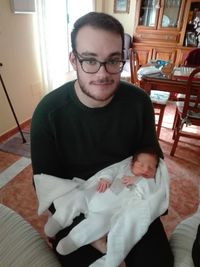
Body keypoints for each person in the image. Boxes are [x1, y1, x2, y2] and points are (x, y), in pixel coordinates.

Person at [31, 11, 174, 267]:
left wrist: (145, 203)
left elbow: (152, 160)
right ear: (74, 60)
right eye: (89, 60)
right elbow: (46, 184)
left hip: (128, 198)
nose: (102, 73)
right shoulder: (48, 113)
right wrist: (91, 233)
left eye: (113, 60)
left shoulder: (139, 102)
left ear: (123, 59)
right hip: (77, 208)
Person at [34, 148, 169, 267]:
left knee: (98, 224)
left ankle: (72, 241)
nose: (146, 169)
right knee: (77, 197)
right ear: (132, 163)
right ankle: (58, 221)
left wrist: (139, 181)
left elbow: (151, 196)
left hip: (107, 213)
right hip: (93, 197)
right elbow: (111, 170)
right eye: (141, 165)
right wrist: (106, 178)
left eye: (151, 168)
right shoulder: (124, 169)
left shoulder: (149, 182)